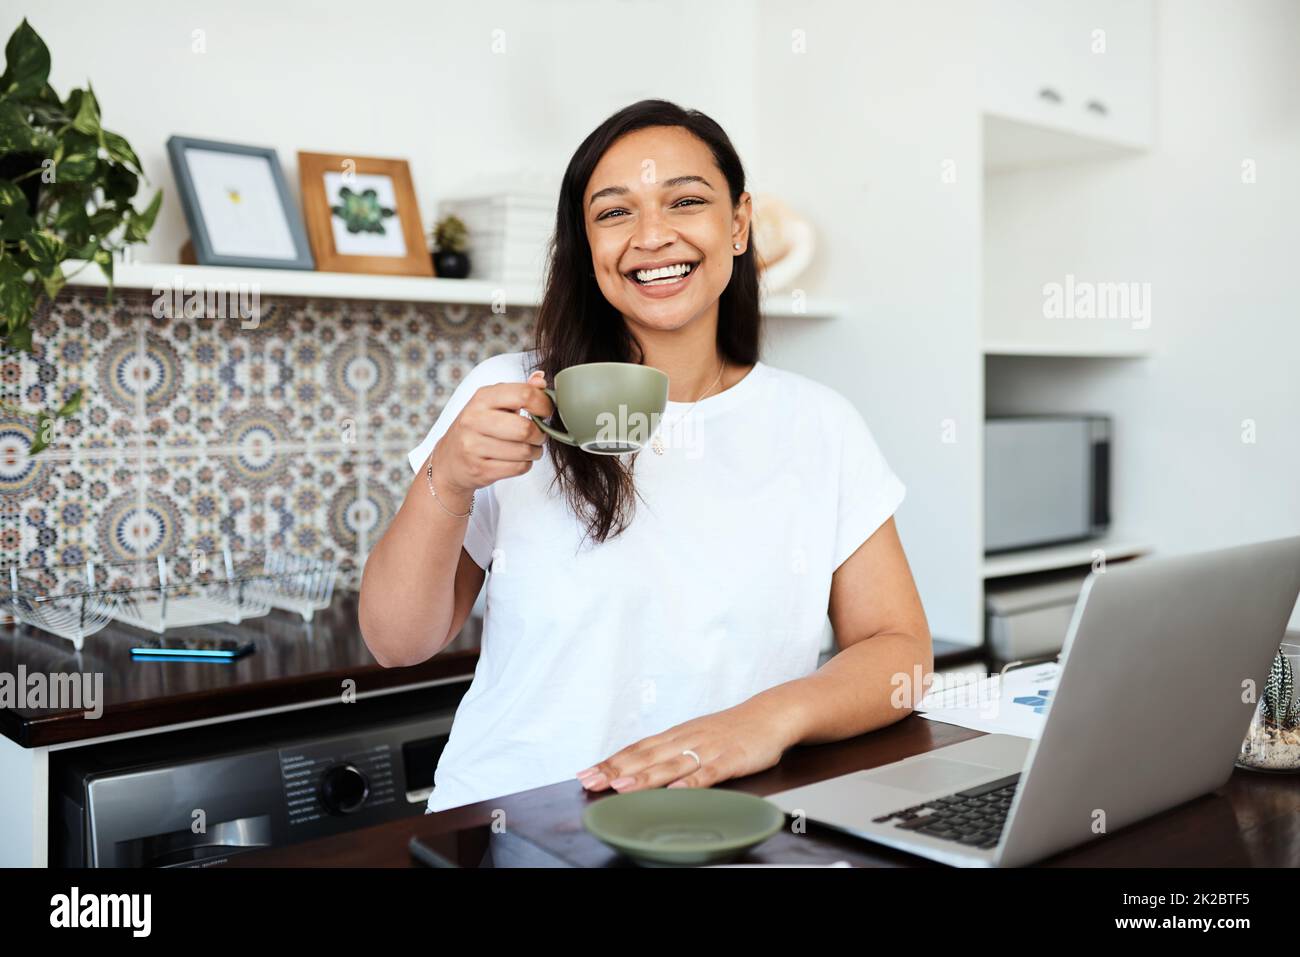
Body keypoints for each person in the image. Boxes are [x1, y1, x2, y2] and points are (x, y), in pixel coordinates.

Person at [359, 99, 932, 814]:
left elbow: (898, 647)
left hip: (727, 819)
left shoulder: (820, 423)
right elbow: (396, 642)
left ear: (738, 224)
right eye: (614, 212)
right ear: (586, 242)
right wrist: (446, 474)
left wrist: (764, 721)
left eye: (685, 201)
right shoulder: (511, 397)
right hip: (517, 821)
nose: (652, 237)